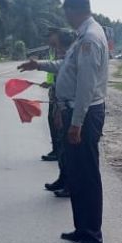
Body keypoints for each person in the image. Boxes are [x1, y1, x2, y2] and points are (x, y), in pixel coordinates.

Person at [18, 0, 109, 243]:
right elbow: (67, 67)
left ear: (73, 10)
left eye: (66, 12)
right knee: (78, 176)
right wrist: (40, 65)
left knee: (87, 177)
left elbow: (86, 85)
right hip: (78, 111)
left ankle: (92, 237)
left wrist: (76, 123)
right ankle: (82, 229)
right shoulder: (84, 35)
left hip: (85, 114)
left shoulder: (90, 38)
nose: (65, 17)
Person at [43, 29, 74, 195]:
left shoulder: (72, 58)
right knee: (62, 148)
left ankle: (70, 185)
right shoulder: (64, 57)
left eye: (56, 45)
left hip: (68, 108)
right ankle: (63, 179)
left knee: (68, 150)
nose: (54, 49)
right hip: (60, 105)